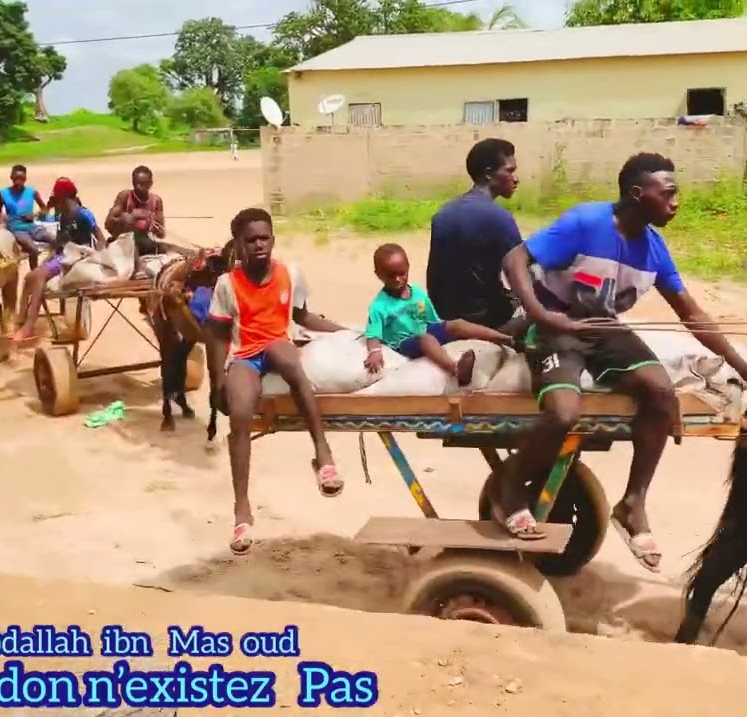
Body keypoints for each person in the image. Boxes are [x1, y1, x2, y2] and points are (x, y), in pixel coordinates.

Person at [497, 152, 747, 572]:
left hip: (603, 330)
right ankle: (511, 489)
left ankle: (632, 503)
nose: (676, 202)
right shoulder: (585, 223)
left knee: (661, 392)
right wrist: (539, 314)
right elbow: (515, 259)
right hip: (556, 328)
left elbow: (691, 313)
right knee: (562, 412)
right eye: (669, 193)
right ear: (637, 193)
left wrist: (743, 366)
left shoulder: (655, 250)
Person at [206, 208, 345, 555]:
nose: (258, 245)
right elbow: (218, 336)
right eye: (250, 240)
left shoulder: (289, 274)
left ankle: (323, 455)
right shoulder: (227, 285)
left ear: (273, 239)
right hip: (245, 354)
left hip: (276, 342)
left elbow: (302, 317)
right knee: (239, 414)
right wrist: (216, 382)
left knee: (293, 365)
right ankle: (242, 509)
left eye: (264, 238)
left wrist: (345, 331)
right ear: (237, 245)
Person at [364, 243, 513, 386]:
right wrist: (375, 352)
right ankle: (455, 369)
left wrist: (447, 330)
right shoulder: (379, 306)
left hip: (426, 329)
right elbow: (372, 334)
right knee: (425, 338)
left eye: (401, 273)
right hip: (405, 342)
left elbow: (433, 320)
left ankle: (506, 339)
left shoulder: (417, 293)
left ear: (408, 267)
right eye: (391, 276)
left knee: (457, 324)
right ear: (379, 275)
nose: (398, 279)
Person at [427, 138, 524, 332]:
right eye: (510, 171)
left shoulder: (442, 213)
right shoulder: (499, 218)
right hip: (485, 319)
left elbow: (434, 276)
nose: (515, 178)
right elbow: (524, 276)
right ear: (489, 174)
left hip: (445, 315)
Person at [10, 177, 106, 345]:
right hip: (63, 256)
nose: (55, 202)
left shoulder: (83, 214)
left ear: (64, 197)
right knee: (29, 277)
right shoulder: (63, 217)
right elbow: (59, 244)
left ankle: (29, 325)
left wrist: (98, 255)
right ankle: (21, 319)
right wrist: (48, 259)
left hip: (78, 256)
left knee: (40, 277)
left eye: (57, 198)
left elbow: (99, 237)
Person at [106, 165, 191, 257]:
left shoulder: (156, 201)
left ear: (150, 183)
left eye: (142, 184)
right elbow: (108, 224)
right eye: (135, 183)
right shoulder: (125, 196)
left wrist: (153, 225)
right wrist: (124, 218)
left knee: (174, 249)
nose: (138, 187)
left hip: (144, 242)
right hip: (123, 241)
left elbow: (161, 234)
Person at [0, 164, 51, 269]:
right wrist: (3, 217)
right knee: (33, 249)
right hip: (16, 229)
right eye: (16, 178)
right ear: (11, 178)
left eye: (22, 179)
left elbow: (44, 209)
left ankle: (47, 267)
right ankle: (34, 274)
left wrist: (34, 214)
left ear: (25, 179)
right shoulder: (3, 193)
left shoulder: (31, 192)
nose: (18, 181)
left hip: (32, 226)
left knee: (55, 240)